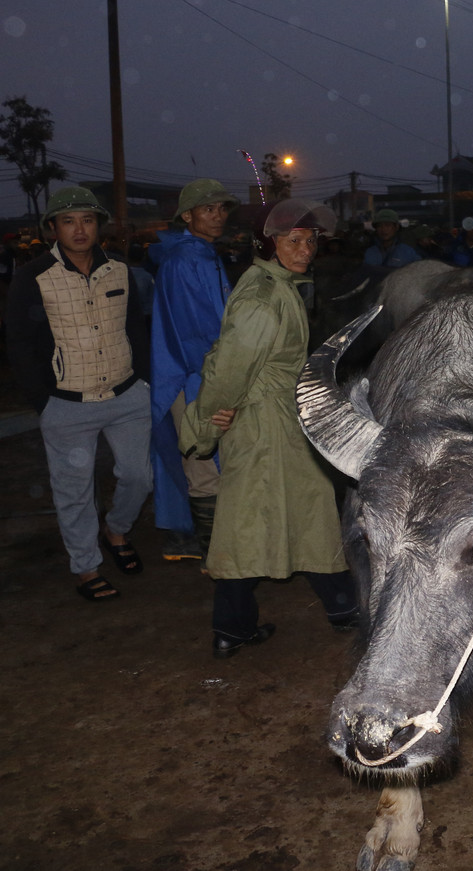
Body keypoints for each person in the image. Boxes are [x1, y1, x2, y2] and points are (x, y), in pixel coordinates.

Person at [181, 198, 357, 657]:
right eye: (293, 241)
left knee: (303, 511)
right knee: (251, 521)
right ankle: (235, 627)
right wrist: (204, 426)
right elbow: (229, 370)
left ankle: (339, 607)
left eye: (310, 241)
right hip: (263, 424)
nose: (305, 250)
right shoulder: (262, 298)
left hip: (281, 419)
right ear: (266, 243)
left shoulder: (279, 286)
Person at [7, 186, 152, 601]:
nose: (79, 229)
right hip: (67, 403)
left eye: (87, 220)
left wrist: (144, 381)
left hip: (126, 395)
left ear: (98, 225)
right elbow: (19, 343)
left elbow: (135, 328)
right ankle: (87, 567)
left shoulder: (120, 270)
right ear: (53, 228)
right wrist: (44, 401)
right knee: (74, 492)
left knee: (140, 476)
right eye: (68, 221)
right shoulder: (32, 277)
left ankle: (116, 530)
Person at [147, 178, 239, 564]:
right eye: (208, 209)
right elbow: (197, 333)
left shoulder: (203, 253)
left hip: (203, 373)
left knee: (210, 464)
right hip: (192, 377)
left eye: (222, 209)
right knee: (204, 467)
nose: (218, 216)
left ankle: (209, 546)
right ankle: (216, 560)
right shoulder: (185, 260)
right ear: (187, 216)